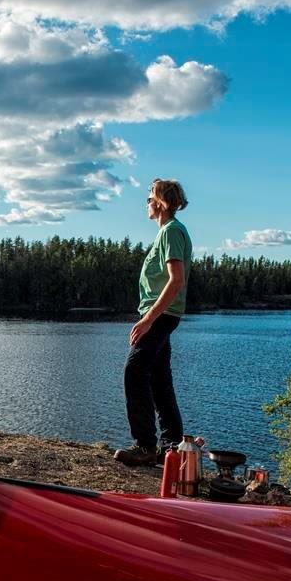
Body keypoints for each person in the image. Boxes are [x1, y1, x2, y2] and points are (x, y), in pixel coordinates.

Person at [114, 179, 193, 466]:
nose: (146, 204)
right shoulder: (169, 232)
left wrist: (148, 320)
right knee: (160, 379)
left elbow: (176, 281)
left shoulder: (171, 232)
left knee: (134, 371)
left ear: (160, 202)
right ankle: (173, 449)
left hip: (161, 315)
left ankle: (145, 446)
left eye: (149, 199)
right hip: (163, 315)